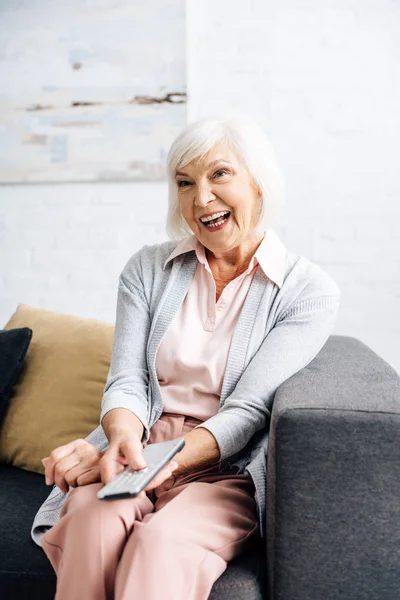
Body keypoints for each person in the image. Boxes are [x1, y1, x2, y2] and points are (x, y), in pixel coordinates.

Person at [31, 112, 341, 600]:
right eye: (184, 182)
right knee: (92, 524)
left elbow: (249, 410)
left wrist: (157, 464)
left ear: (259, 182)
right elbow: (127, 380)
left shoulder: (307, 291)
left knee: (161, 545)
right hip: (135, 448)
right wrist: (123, 443)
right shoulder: (148, 268)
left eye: (220, 174)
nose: (201, 199)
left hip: (225, 468)